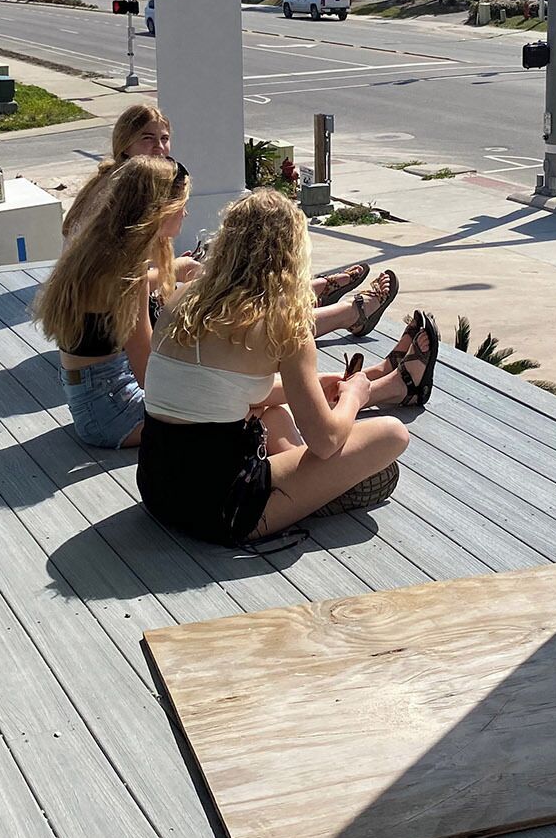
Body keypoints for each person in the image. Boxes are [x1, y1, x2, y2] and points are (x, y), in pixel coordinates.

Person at [139, 188, 438, 547]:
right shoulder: (284, 323)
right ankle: (322, 490)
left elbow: (221, 386)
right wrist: (356, 396)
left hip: (158, 490)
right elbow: (325, 441)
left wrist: (317, 382)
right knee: (391, 435)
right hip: (220, 510)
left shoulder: (180, 299)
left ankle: (316, 488)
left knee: (276, 415)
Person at [63, 102, 394, 336]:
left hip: (117, 319)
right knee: (245, 317)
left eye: (164, 138)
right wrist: (177, 273)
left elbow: (124, 277)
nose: (160, 148)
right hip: (119, 328)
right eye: (148, 139)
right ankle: (349, 312)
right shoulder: (127, 192)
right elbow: (120, 283)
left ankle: (314, 291)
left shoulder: (116, 182)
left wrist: (178, 270)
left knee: (225, 289)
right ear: (125, 145)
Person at [31, 155, 190, 449]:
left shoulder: (101, 251)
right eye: (182, 205)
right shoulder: (126, 276)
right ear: (161, 210)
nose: (186, 213)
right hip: (113, 415)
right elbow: (148, 374)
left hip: (92, 401)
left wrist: (177, 270)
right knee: (238, 409)